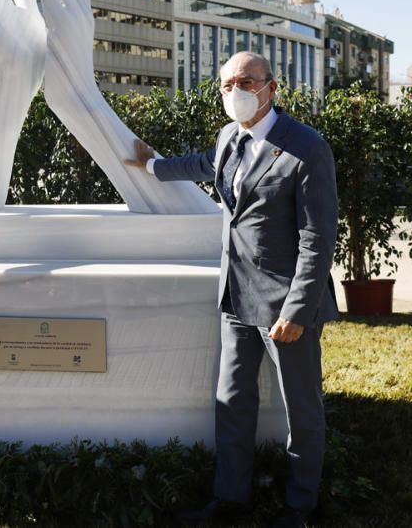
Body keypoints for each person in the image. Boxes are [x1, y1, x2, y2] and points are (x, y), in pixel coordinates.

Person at [124, 52, 338, 527]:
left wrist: (298, 310)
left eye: (246, 82)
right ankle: (230, 500)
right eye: (226, 85)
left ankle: (300, 507)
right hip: (236, 298)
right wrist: (154, 166)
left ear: (271, 88)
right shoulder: (229, 137)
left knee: (301, 410)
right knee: (231, 402)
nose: (235, 91)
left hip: (285, 305)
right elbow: (206, 164)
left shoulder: (306, 146)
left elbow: (318, 236)